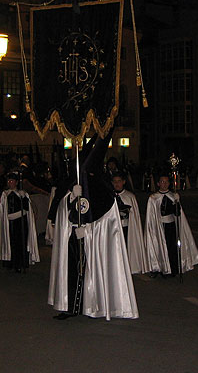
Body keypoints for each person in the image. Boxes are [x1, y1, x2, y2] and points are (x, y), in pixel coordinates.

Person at [48, 135, 138, 320]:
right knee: (72, 271)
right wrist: (72, 197)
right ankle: (71, 306)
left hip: (93, 239)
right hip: (73, 235)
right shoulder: (71, 186)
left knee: (93, 272)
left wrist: (89, 230)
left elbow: (106, 216)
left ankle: (92, 306)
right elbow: (62, 209)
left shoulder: (102, 188)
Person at [144, 173, 198, 278]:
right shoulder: (153, 198)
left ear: (169, 183)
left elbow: (178, 214)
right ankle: (160, 268)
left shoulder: (173, 196)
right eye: (162, 182)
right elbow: (152, 216)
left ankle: (173, 269)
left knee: (172, 247)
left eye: (166, 182)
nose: (164, 184)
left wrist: (176, 204)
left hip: (171, 226)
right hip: (159, 226)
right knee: (161, 247)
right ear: (158, 184)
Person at [0, 171, 39, 272]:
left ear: (16, 182)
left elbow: (27, 208)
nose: (10, 182)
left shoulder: (23, 194)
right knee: (11, 242)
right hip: (9, 222)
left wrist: (24, 198)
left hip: (20, 222)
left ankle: (20, 263)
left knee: (20, 242)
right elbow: (3, 209)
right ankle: (10, 263)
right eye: (8, 181)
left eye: (12, 180)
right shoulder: (5, 194)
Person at [112, 172, 147, 274]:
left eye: (119, 181)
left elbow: (134, 216)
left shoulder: (129, 196)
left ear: (123, 182)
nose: (117, 184)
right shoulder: (110, 196)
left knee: (127, 247)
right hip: (114, 228)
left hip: (126, 226)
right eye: (115, 182)